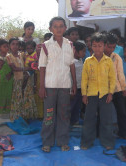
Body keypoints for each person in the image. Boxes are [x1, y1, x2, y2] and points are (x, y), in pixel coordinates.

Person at [38, 17, 77, 153]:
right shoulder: (46, 46)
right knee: (49, 115)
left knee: (64, 114)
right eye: (55, 26)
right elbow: (42, 67)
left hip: (65, 85)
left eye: (61, 26)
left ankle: (63, 141)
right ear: (50, 29)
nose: (59, 29)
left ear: (65, 28)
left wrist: (74, 84)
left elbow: (72, 65)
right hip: (50, 85)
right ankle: (47, 141)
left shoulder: (70, 45)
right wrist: (42, 87)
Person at [80, 32, 116, 150]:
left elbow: (112, 78)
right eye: (94, 45)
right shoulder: (88, 61)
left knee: (106, 120)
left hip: (105, 94)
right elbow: (84, 79)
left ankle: (108, 142)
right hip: (91, 94)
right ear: (91, 46)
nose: (97, 48)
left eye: (100, 45)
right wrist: (84, 94)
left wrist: (111, 93)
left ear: (104, 46)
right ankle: (86, 142)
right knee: (89, 119)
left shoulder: (108, 61)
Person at [104, 33, 126, 143]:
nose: (110, 49)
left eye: (113, 47)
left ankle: (124, 133)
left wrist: (124, 88)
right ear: (103, 44)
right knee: (103, 113)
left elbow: (120, 73)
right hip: (104, 89)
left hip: (116, 89)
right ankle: (102, 134)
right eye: (109, 46)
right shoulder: (98, 57)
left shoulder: (117, 58)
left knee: (122, 112)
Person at [7, 37, 37, 121]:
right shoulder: (9, 57)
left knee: (27, 98)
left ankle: (27, 117)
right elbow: (14, 68)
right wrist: (26, 69)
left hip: (26, 79)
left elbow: (30, 61)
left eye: (17, 44)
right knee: (17, 98)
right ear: (9, 45)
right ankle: (17, 118)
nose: (15, 46)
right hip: (17, 80)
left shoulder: (22, 54)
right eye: (13, 44)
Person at [70, 41, 86, 126]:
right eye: (83, 51)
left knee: (77, 107)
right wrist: (71, 90)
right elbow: (70, 78)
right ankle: (66, 123)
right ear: (75, 51)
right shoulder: (72, 62)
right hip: (73, 89)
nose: (84, 53)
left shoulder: (80, 60)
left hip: (80, 88)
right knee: (71, 107)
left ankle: (75, 121)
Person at [0, 39, 13, 114]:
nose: (7, 48)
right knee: (0, 95)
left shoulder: (10, 57)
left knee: (8, 95)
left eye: (7, 46)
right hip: (0, 80)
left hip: (10, 80)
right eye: (4, 46)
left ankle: (7, 112)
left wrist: (10, 74)